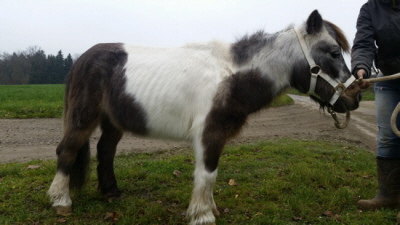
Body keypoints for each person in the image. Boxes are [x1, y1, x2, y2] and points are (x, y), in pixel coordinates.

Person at [351, 0, 400, 210]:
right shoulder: (370, 8)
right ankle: (388, 195)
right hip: (388, 78)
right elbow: (363, 43)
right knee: (388, 137)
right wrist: (361, 67)